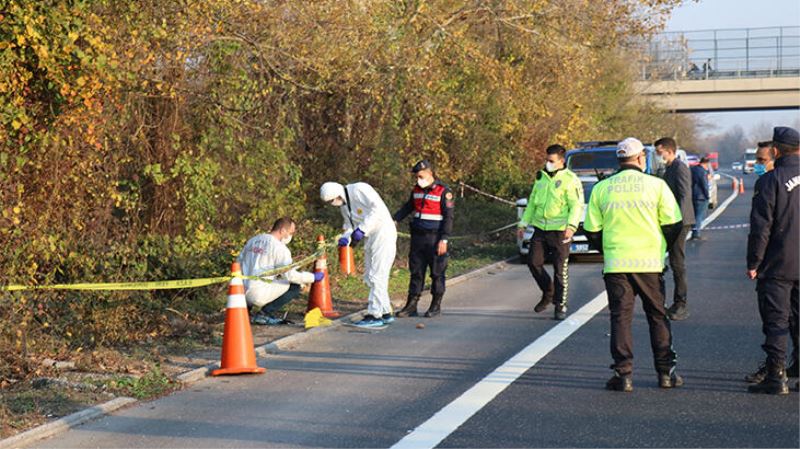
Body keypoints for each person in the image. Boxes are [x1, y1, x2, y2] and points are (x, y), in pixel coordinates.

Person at [583, 137, 684, 392]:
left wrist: (607, 248)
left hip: (617, 264)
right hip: (649, 263)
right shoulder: (657, 186)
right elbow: (673, 224)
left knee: (620, 319)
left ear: (619, 160)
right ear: (641, 159)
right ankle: (666, 373)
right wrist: (661, 247)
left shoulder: (602, 189)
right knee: (657, 316)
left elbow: (592, 229)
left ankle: (623, 374)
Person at [745, 126, 800, 395]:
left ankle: (776, 376)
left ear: (775, 151)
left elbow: (761, 227)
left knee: (776, 322)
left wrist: (754, 262)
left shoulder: (770, 181)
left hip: (778, 264)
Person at [517, 144, 583, 320]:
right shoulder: (541, 177)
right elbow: (532, 203)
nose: (548, 163)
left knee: (560, 269)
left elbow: (576, 206)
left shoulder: (570, 179)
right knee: (533, 262)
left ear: (561, 161)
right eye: (546, 160)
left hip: (560, 231)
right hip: (540, 228)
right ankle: (548, 292)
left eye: (551, 161)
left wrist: (571, 226)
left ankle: (560, 305)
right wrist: (523, 224)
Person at [320, 181, 397, 328]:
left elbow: (377, 210)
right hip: (371, 237)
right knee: (370, 276)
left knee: (377, 275)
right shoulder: (345, 207)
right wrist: (346, 237)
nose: (333, 203)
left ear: (338, 193)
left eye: (332, 200)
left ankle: (375, 314)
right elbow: (350, 226)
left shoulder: (359, 189)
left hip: (383, 233)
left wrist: (362, 229)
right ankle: (385, 311)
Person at [393, 160, 455, 318]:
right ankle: (411, 306)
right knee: (416, 272)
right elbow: (408, 207)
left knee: (437, 273)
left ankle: (435, 305)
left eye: (420, 176)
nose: (418, 179)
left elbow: (448, 217)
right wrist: (395, 219)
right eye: (416, 177)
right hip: (418, 237)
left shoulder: (443, 191)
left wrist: (444, 239)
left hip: (435, 238)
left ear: (430, 173)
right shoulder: (416, 190)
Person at [237, 218, 323, 325]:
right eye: (290, 233)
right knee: (294, 286)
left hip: (240, 292)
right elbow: (290, 276)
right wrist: (312, 278)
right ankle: (265, 313)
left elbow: (238, 263)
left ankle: (245, 312)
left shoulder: (253, 240)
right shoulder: (280, 249)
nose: (290, 236)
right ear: (282, 231)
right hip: (258, 294)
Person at [655, 137, 695, 321]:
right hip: (670, 221)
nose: (657, 155)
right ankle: (670, 302)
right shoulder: (669, 168)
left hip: (680, 221)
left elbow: (684, 195)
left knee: (678, 263)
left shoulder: (680, 168)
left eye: (659, 152)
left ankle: (681, 304)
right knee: (670, 262)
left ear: (669, 151)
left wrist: (677, 221)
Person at [690, 156, 710, 240]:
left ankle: (694, 231)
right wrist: (707, 195)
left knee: (694, 215)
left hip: (693, 195)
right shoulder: (703, 172)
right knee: (699, 215)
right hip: (701, 196)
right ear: (705, 164)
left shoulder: (693, 169)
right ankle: (696, 233)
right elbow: (704, 184)